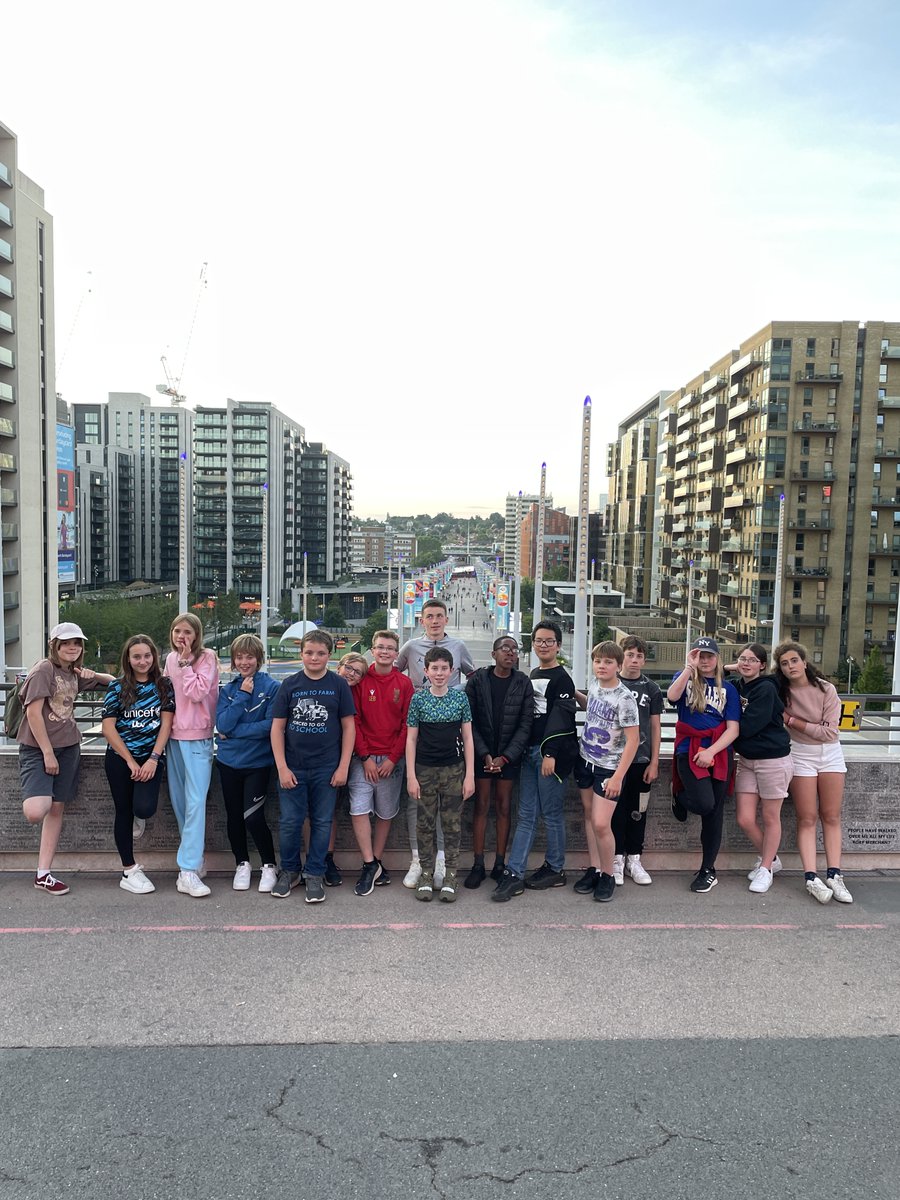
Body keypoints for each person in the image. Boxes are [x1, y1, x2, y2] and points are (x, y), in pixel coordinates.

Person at [17, 622, 114, 895]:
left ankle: (43, 873)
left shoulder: (72, 673)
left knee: (57, 809)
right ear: (54, 646)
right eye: (66, 643)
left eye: (77, 643)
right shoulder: (44, 669)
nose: (72, 647)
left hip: (70, 747)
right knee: (37, 810)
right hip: (39, 749)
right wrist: (47, 753)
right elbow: (33, 714)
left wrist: (94, 673)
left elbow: (115, 682)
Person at [492, 620, 578, 902]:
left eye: (549, 641)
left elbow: (562, 718)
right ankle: (514, 873)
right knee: (526, 815)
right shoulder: (533, 673)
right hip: (529, 753)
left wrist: (550, 753)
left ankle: (556, 868)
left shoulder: (563, 679)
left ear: (558, 645)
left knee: (551, 814)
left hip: (548, 756)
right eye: (539, 641)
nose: (543, 645)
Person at [270, 630, 355, 903]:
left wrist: (343, 767)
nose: (314, 657)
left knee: (321, 822)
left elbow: (348, 727)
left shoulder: (338, 685)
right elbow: (277, 728)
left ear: (330, 655)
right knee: (290, 822)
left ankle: (315, 872)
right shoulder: (290, 684)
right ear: (301, 654)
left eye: (320, 653)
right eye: (309, 652)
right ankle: (290, 870)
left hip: (327, 767)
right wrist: (282, 767)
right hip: (294, 766)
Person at [395, 597, 475, 889]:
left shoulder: (458, 647)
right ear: (422, 620)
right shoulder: (411, 647)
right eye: (429, 616)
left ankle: (442, 860)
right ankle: (420, 860)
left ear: (446, 618)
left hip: (450, 730)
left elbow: (473, 675)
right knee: (419, 809)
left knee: (450, 812)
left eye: (440, 615)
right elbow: (393, 670)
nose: (435, 620)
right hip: (422, 720)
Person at [773, 640, 852, 904]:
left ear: (804, 662)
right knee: (807, 817)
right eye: (784, 663)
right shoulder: (781, 692)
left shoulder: (826, 689)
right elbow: (748, 675)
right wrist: (811, 726)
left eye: (794, 660)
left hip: (830, 754)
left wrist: (793, 721)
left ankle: (835, 875)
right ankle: (811, 878)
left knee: (831, 816)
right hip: (800, 755)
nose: (790, 666)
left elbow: (830, 732)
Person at [667, 637, 741, 894]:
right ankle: (678, 795)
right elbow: (671, 696)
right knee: (703, 803)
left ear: (718, 658)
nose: (705, 660)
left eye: (710, 656)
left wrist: (711, 751)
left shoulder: (728, 689)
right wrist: (689, 667)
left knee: (714, 812)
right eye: (700, 655)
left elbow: (733, 729)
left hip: (718, 752)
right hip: (688, 749)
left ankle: (708, 869)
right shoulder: (685, 677)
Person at [102, 636, 175, 894]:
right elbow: (108, 727)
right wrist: (130, 761)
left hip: (151, 758)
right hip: (121, 759)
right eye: (136, 656)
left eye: (147, 655)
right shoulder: (117, 687)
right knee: (123, 811)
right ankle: (129, 870)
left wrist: (153, 758)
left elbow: (166, 724)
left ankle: (137, 813)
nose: (142, 661)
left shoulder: (164, 685)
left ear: (154, 657)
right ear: (128, 659)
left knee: (144, 808)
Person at [463, 636, 534, 887]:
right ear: (493, 654)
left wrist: (505, 757)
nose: (511, 653)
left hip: (508, 756)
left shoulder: (523, 683)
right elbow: (469, 721)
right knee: (481, 805)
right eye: (505, 648)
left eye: (515, 649)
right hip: (482, 754)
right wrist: (485, 754)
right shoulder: (477, 681)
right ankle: (478, 864)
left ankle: (500, 863)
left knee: (504, 807)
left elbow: (526, 724)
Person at [405, 646, 475, 902]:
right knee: (424, 825)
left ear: (453, 671)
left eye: (444, 668)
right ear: (426, 671)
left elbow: (467, 738)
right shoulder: (418, 699)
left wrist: (469, 776)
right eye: (434, 668)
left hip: (453, 770)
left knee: (452, 825)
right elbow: (411, 739)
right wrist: (411, 776)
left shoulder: (460, 699)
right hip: (424, 770)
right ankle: (426, 873)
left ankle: (450, 875)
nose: (439, 673)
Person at [347, 631, 414, 896]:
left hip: (391, 760)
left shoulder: (404, 684)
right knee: (358, 810)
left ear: (397, 654)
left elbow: (406, 725)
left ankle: (376, 860)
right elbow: (355, 721)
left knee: (386, 813)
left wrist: (392, 759)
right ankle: (369, 864)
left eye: (390, 648)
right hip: (362, 759)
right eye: (380, 647)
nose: (385, 652)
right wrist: (364, 757)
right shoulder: (362, 682)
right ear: (372, 651)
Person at [573, 642, 640, 902]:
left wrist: (618, 776)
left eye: (608, 662)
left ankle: (609, 874)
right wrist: (573, 693)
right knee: (590, 817)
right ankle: (595, 868)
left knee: (602, 823)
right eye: (598, 661)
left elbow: (633, 740)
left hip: (608, 768)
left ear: (619, 666)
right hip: (585, 759)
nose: (602, 665)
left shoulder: (625, 698)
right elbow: (591, 706)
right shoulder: (595, 685)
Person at [215, 634, 281, 893]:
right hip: (228, 763)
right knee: (233, 818)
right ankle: (241, 863)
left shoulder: (273, 687)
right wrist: (243, 695)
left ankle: (268, 864)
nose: (244, 662)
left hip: (257, 763)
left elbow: (270, 727)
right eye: (239, 657)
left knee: (253, 818)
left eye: (249, 657)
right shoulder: (229, 690)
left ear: (259, 659)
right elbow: (222, 725)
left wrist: (235, 732)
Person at [729, 643, 793, 895]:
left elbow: (747, 727)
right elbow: (718, 675)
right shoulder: (737, 686)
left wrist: (724, 736)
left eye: (752, 660)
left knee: (770, 817)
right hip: (746, 761)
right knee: (745, 818)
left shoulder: (766, 688)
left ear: (763, 665)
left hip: (773, 760)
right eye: (742, 659)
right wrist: (731, 666)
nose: (746, 663)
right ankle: (772, 858)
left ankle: (766, 868)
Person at [165, 612, 219, 899]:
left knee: (196, 802)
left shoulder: (207, 657)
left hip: (198, 736)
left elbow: (197, 693)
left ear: (196, 635)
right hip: (172, 736)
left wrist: (186, 663)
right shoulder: (170, 659)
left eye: (187, 632)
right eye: (177, 631)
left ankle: (186, 869)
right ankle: (194, 861)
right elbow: (165, 692)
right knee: (180, 802)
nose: (181, 637)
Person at [612, 636, 663, 887]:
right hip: (613, 760)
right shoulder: (610, 683)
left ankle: (635, 857)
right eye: (630, 654)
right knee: (615, 810)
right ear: (622, 657)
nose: (634, 660)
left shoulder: (651, 688)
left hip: (641, 760)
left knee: (638, 811)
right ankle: (617, 858)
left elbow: (655, 726)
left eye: (639, 655)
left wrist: (654, 762)